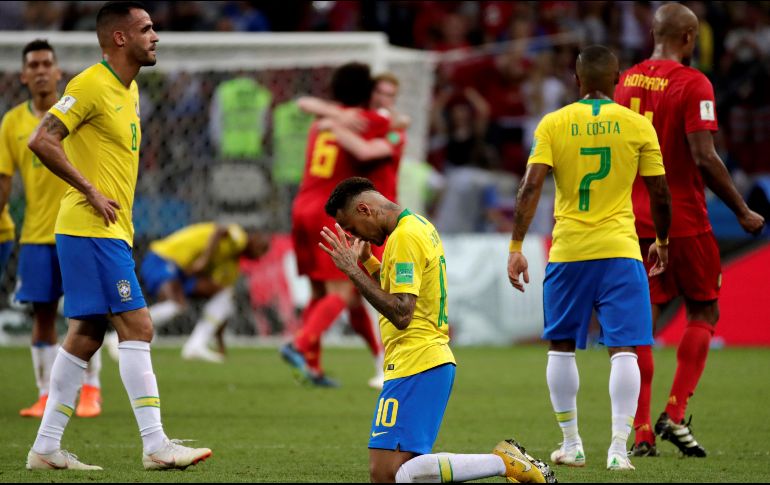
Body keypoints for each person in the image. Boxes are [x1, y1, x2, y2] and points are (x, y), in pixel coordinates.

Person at [25, 1, 211, 471]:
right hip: (91, 229)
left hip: (106, 232)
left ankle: (46, 448)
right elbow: (42, 139)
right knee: (138, 326)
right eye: (146, 29)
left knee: (86, 335)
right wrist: (89, 189)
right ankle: (155, 445)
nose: (156, 36)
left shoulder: (129, 92)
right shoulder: (90, 83)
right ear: (121, 38)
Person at [319, 176, 556, 484]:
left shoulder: (404, 238)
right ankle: (504, 462)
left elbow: (403, 313)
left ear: (364, 209)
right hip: (420, 361)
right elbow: (402, 296)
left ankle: (503, 463)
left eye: (350, 227)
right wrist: (371, 267)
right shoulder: (417, 226)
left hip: (417, 361)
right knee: (396, 473)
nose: (353, 236)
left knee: (387, 473)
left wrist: (352, 271)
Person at [507, 45, 672, 471]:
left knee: (561, 347)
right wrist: (664, 240)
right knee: (625, 350)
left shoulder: (554, 123)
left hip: (569, 252)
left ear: (577, 79)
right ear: (617, 78)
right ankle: (619, 450)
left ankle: (572, 444)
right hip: (620, 250)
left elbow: (530, 188)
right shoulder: (638, 125)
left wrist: (516, 247)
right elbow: (659, 192)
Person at [613, 3, 765, 458]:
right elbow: (703, 155)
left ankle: (640, 430)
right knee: (703, 311)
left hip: (633, 220)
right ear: (689, 38)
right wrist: (741, 209)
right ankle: (674, 414)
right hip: (683, 219)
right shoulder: (693, 82)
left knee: (642, 323)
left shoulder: (627, 80)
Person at [1, 40, 106, 419]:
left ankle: (91, 390)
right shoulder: (12, 122)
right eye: (34, 64)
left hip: (78, 228)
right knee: (43, 317)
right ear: (24, 75)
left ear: (59, 72)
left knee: (86, 315)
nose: (42, 70)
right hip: (35, 235)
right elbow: (4, 181)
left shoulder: (74, 113)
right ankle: (45, 394)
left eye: (48, 63)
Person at [281, 63, 404, 389]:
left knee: (321, 291)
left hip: (301, 205)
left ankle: (313, 366)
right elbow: (386, 129)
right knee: (344, 290)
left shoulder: (321, 124)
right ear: (368, 93)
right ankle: (299, 343)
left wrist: (328, 117)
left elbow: (304, 103)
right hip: (331, 209)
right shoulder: (370, 121)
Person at [138, 222, 268, 362]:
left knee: (223, 295)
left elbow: (219, 311)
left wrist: (220, 344)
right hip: (165, 256)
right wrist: (204, 260)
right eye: (262, 248)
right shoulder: (240, 238)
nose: (259, 256)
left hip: (184, 272)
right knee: (174, 304)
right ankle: (127, 332)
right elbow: (220, 229)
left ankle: (197, 344)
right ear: (254, 238)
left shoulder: (230, 267)